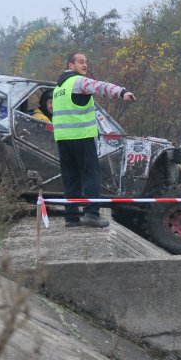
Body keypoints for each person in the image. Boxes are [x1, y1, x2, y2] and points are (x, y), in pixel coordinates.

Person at [53, 52, 135, 228]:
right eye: (80, 62)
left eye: (86, 62)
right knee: (91, 175)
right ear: (70, 65)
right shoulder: (78, 81)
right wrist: (122, 92)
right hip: (82, 136)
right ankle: (91, 214)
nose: (85, 65)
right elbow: (100, 87)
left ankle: (71, 217)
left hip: (63, 138)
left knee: (70, 178)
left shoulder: (58, 88)